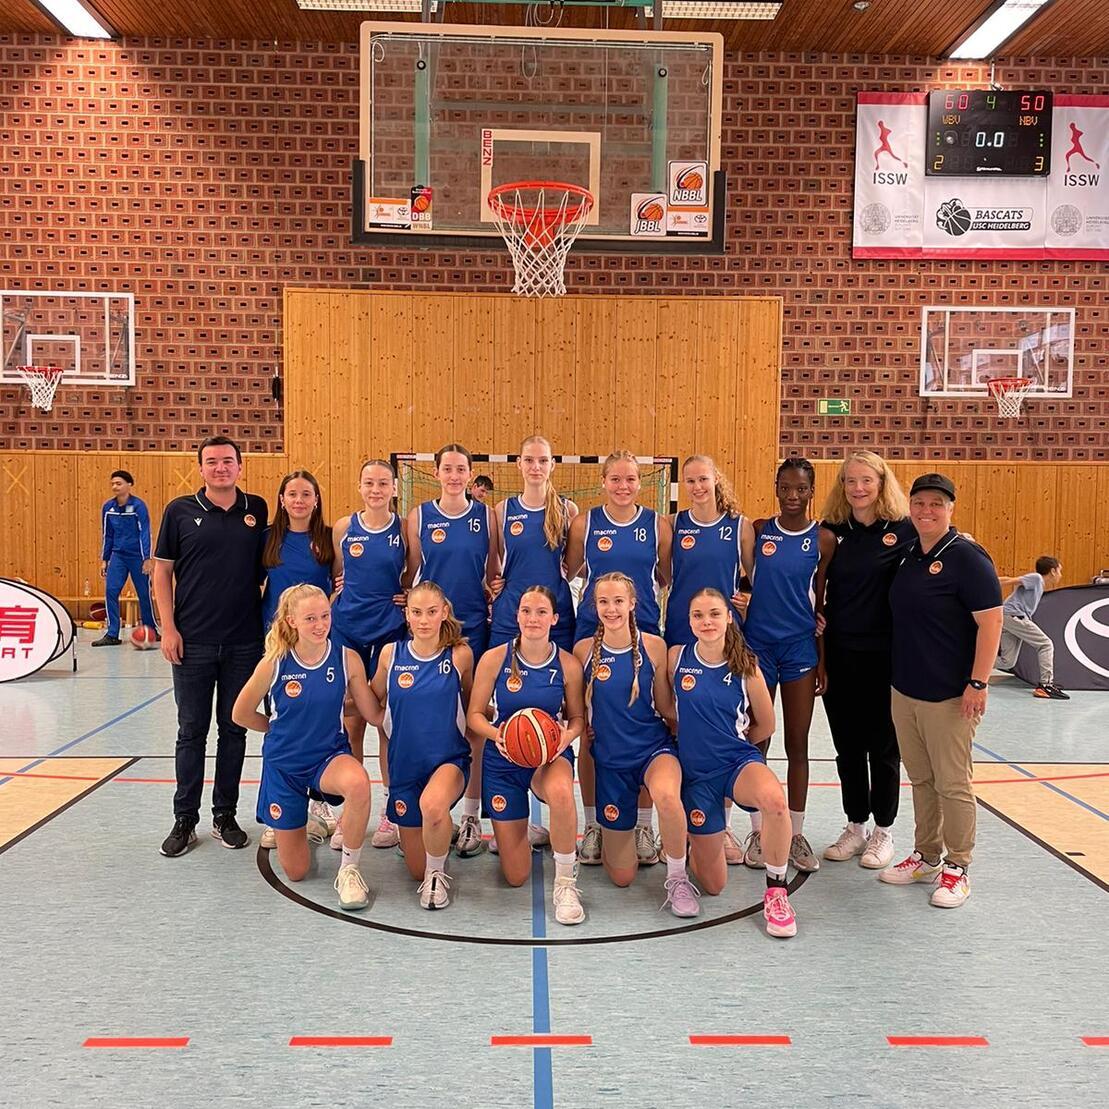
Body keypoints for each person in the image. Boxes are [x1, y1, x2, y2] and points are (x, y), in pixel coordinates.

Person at [880, 473, 1002, 909]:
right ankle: (927, 854)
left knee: (953, 783)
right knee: (922, 779)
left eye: (936, 504)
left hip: (952, 694)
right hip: (906, 689)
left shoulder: (968, 558)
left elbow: (991, 622)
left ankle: (958, 866)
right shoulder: (910, 553)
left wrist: (978, 683)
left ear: (950, 508)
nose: (926, 511)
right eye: (919, 503)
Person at [153, 436, 268, 857]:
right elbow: (162, 574)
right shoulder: (179, 512)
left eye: (228, 461)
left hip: (244, 642)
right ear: (200, 468)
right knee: (191, 732)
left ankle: (225, 815)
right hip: (193, 641)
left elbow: (269, 569)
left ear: (240, 466)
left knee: (234, 730)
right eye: (212, 462)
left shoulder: (256, 509)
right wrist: (168, 628)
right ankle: (185, 819)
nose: (220, 468)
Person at [231, 584, 375, 911]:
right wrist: (277, 727)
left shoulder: (345, 658)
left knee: (358, 783)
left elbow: (371, 712)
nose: (320, 624)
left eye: (324, 615)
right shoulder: (275, 663)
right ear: (292, 621)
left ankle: (349, 871)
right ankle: (309, 823)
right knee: (297, 872)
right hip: (284, 766)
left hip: (327, 757)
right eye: (310, 618)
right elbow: (239, 713)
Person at [669, 588, 797, 939]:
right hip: (696, 775)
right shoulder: (677, 658)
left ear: (729, 617)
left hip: (736, 762)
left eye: (714, 613)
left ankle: (776, 892)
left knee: (774, 801)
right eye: (698, 615)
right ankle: (700, 837)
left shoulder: (746, 666)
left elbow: (766, 725)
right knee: (713, 885)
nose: (706, 621)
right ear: (690, 620)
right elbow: (666, 709)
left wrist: (731, 745)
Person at [566, 450, 672, 867]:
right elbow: (570, 571)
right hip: (592, 633)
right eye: (616, 479)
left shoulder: (656, 525)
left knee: (645, 724)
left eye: (630, 479)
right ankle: (593, 823)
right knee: (592, 727)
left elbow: (665, 576)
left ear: (640, 483)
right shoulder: (585, 523)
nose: (623, 486)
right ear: (603, 482)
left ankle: (644, 824)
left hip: (642, 631)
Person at [574, 573, 698, 918]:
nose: (611, 609)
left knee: (668, 798)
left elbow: (664, 705)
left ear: (632, 604)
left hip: (652, 749)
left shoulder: (653, 646)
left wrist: (701, 726)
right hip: (611, 761)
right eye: (603, 602)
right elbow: (577, 712)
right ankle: (610, 830)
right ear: (593, 606)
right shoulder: (583, 651)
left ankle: (677, 878)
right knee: (622, 877)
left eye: (618, 601)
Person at [817, 450, 914, 871]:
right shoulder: (832, 532)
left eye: (866, 480)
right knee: (847, 746)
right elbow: (811, 584)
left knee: (883, 746)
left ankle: (884, 831)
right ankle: (855, 825)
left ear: (881, 483)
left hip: (886, 657)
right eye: (850, 481)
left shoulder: (905, 532)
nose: (858, 488)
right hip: (840, 653)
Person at [468, 586, 587, 925]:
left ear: (554, 618)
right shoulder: (494, 658)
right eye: (526, 610)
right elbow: (476, 715)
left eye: (540, 611)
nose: (532, 618)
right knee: (516, 875)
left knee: (563, 793)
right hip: (504, 758)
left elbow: (577, 717)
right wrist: (499, 734)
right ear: (516, 616)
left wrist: (565, 737)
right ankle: (532, 831)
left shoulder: (567, 664)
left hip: (548, 757)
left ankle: (565, 882)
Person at [739, 459, 835, 875]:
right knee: (756, 740)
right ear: (776, 487)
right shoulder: (760, 531)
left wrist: (823, 658)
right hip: (758, 649)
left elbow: (823, 599)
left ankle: (794, 834)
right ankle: (759, 831)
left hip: (799, 651)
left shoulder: (825, 540)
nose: (792, 496)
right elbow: (740, 583)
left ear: (812, 491)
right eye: (785, 488)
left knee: (798, 745)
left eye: (800, 489)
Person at [406, 443, 501, 857]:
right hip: (430, 629)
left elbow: (496, 569)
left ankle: (471, 816)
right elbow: (409, 571)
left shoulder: (486, 516)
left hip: (474, 630)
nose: (455, 475)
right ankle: (408, 807)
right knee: (426, 716)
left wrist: (496, 588)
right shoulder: (420, 516)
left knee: (473, 721)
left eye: (462, 469)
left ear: (470, 473)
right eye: (448, 468)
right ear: (437, 472)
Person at [362, 581, 474, 910]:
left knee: (434, 805)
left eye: (431, 612)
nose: (423, 620)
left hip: (448, 761)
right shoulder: (390, 654)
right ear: (406, 615)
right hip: (405, 768)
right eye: (416, 612)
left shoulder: (460, 655)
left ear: (444, 613)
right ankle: (439, 831)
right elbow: (373, 701)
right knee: (414, 868)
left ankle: (437, 876)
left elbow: (473, 705)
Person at [666, 454, 753, 865]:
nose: (698, 487)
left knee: (723, 732)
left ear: (716, 480)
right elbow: (663, 576)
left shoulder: (739, 527)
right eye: (690, 481)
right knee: (679, 727)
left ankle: (722, 823)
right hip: (681, 635)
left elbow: (755, 578)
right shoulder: (674, 525)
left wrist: (749, 599)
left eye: (703, 479)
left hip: (724, 640)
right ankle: (682, 819)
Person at [257, 470, 339, 849]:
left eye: (307, 493)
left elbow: (338, 586)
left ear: (316, 499)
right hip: (279, 645)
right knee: (282, 726)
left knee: (320, 722)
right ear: (282, 498)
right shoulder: (268, 540)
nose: (299, 500)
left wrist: (323, 621)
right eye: (292, 493)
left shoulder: (326, 540)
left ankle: (319, 801)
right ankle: (279, 809)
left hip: (316, 646)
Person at [332, 459, 409, 850]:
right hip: (348, 629)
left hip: (389, 630)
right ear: (359, 486)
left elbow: (413, 575)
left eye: (383, 483)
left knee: (385, 722)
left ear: (394, 488)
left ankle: (391, 810)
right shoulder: (345, 528)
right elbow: (339, 575)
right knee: (351, 719)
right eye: (369, 483)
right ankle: (350, 810)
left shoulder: (404, 529)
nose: (376, 489)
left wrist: (408, 595)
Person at [93, 469, 157, 646]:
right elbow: (108, 534)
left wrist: (147, 558)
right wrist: (104, 559)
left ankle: (151, 629)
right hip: (118, 556)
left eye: (119, 483)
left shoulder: (138, 506)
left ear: (129, 485)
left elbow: (145, 532)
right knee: (111, 592)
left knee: (144, 594)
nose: (115, 486)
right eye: (113, 483)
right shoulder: (108, 508)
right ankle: (112, 633)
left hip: (137, 557)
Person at [996, 556, 1069, 699]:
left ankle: (968, 665)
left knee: (1007, 661)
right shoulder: (1036, 578)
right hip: (1013, 615)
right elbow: (1011, 580)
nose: (1060, 575)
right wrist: (988, 581)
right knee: (1045, 644)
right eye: (1060, 571)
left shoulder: (1038, 584)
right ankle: (1046, 685)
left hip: (1008, 617)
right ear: (1053, 571)